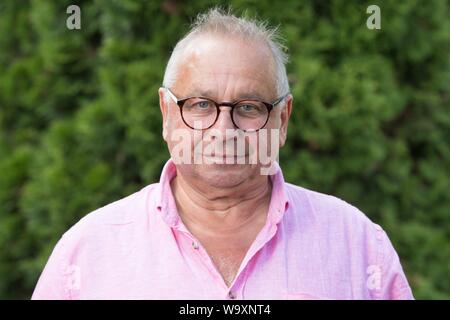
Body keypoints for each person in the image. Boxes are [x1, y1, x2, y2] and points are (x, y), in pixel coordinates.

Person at [32, 8, 413, 300]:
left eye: (248, 107)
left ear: (282, 118)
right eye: (200, 105)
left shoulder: (356, 242)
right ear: (166, 113)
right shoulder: (88, 251)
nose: (223, 130)